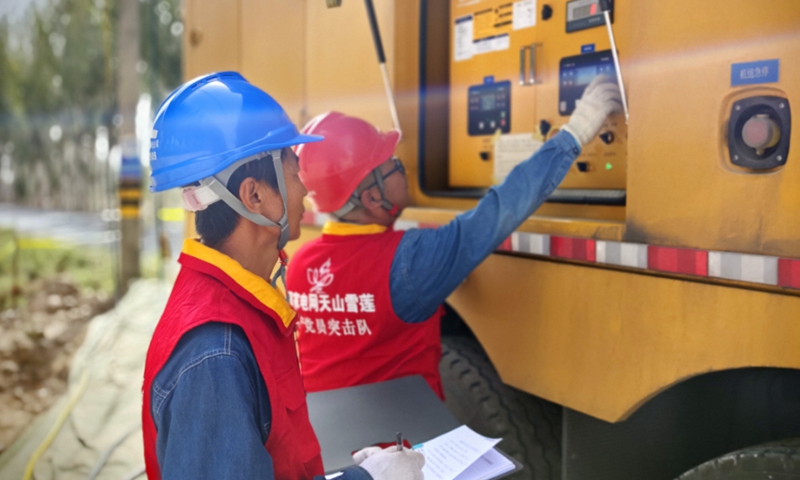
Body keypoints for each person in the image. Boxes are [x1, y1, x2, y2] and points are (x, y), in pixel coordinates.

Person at [142, 72, 424, 480]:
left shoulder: (239, 306)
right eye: (295, 175)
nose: (305, 193)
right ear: (254, 195)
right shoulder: (215, 356)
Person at [286, 75, 622, 399]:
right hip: (398, 446)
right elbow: (500, 210)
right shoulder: (411, 261)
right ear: (373, 198)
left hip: (325, 438)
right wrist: (574, 134)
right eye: (390, 163)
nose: (401, 169)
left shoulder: (301, 263)